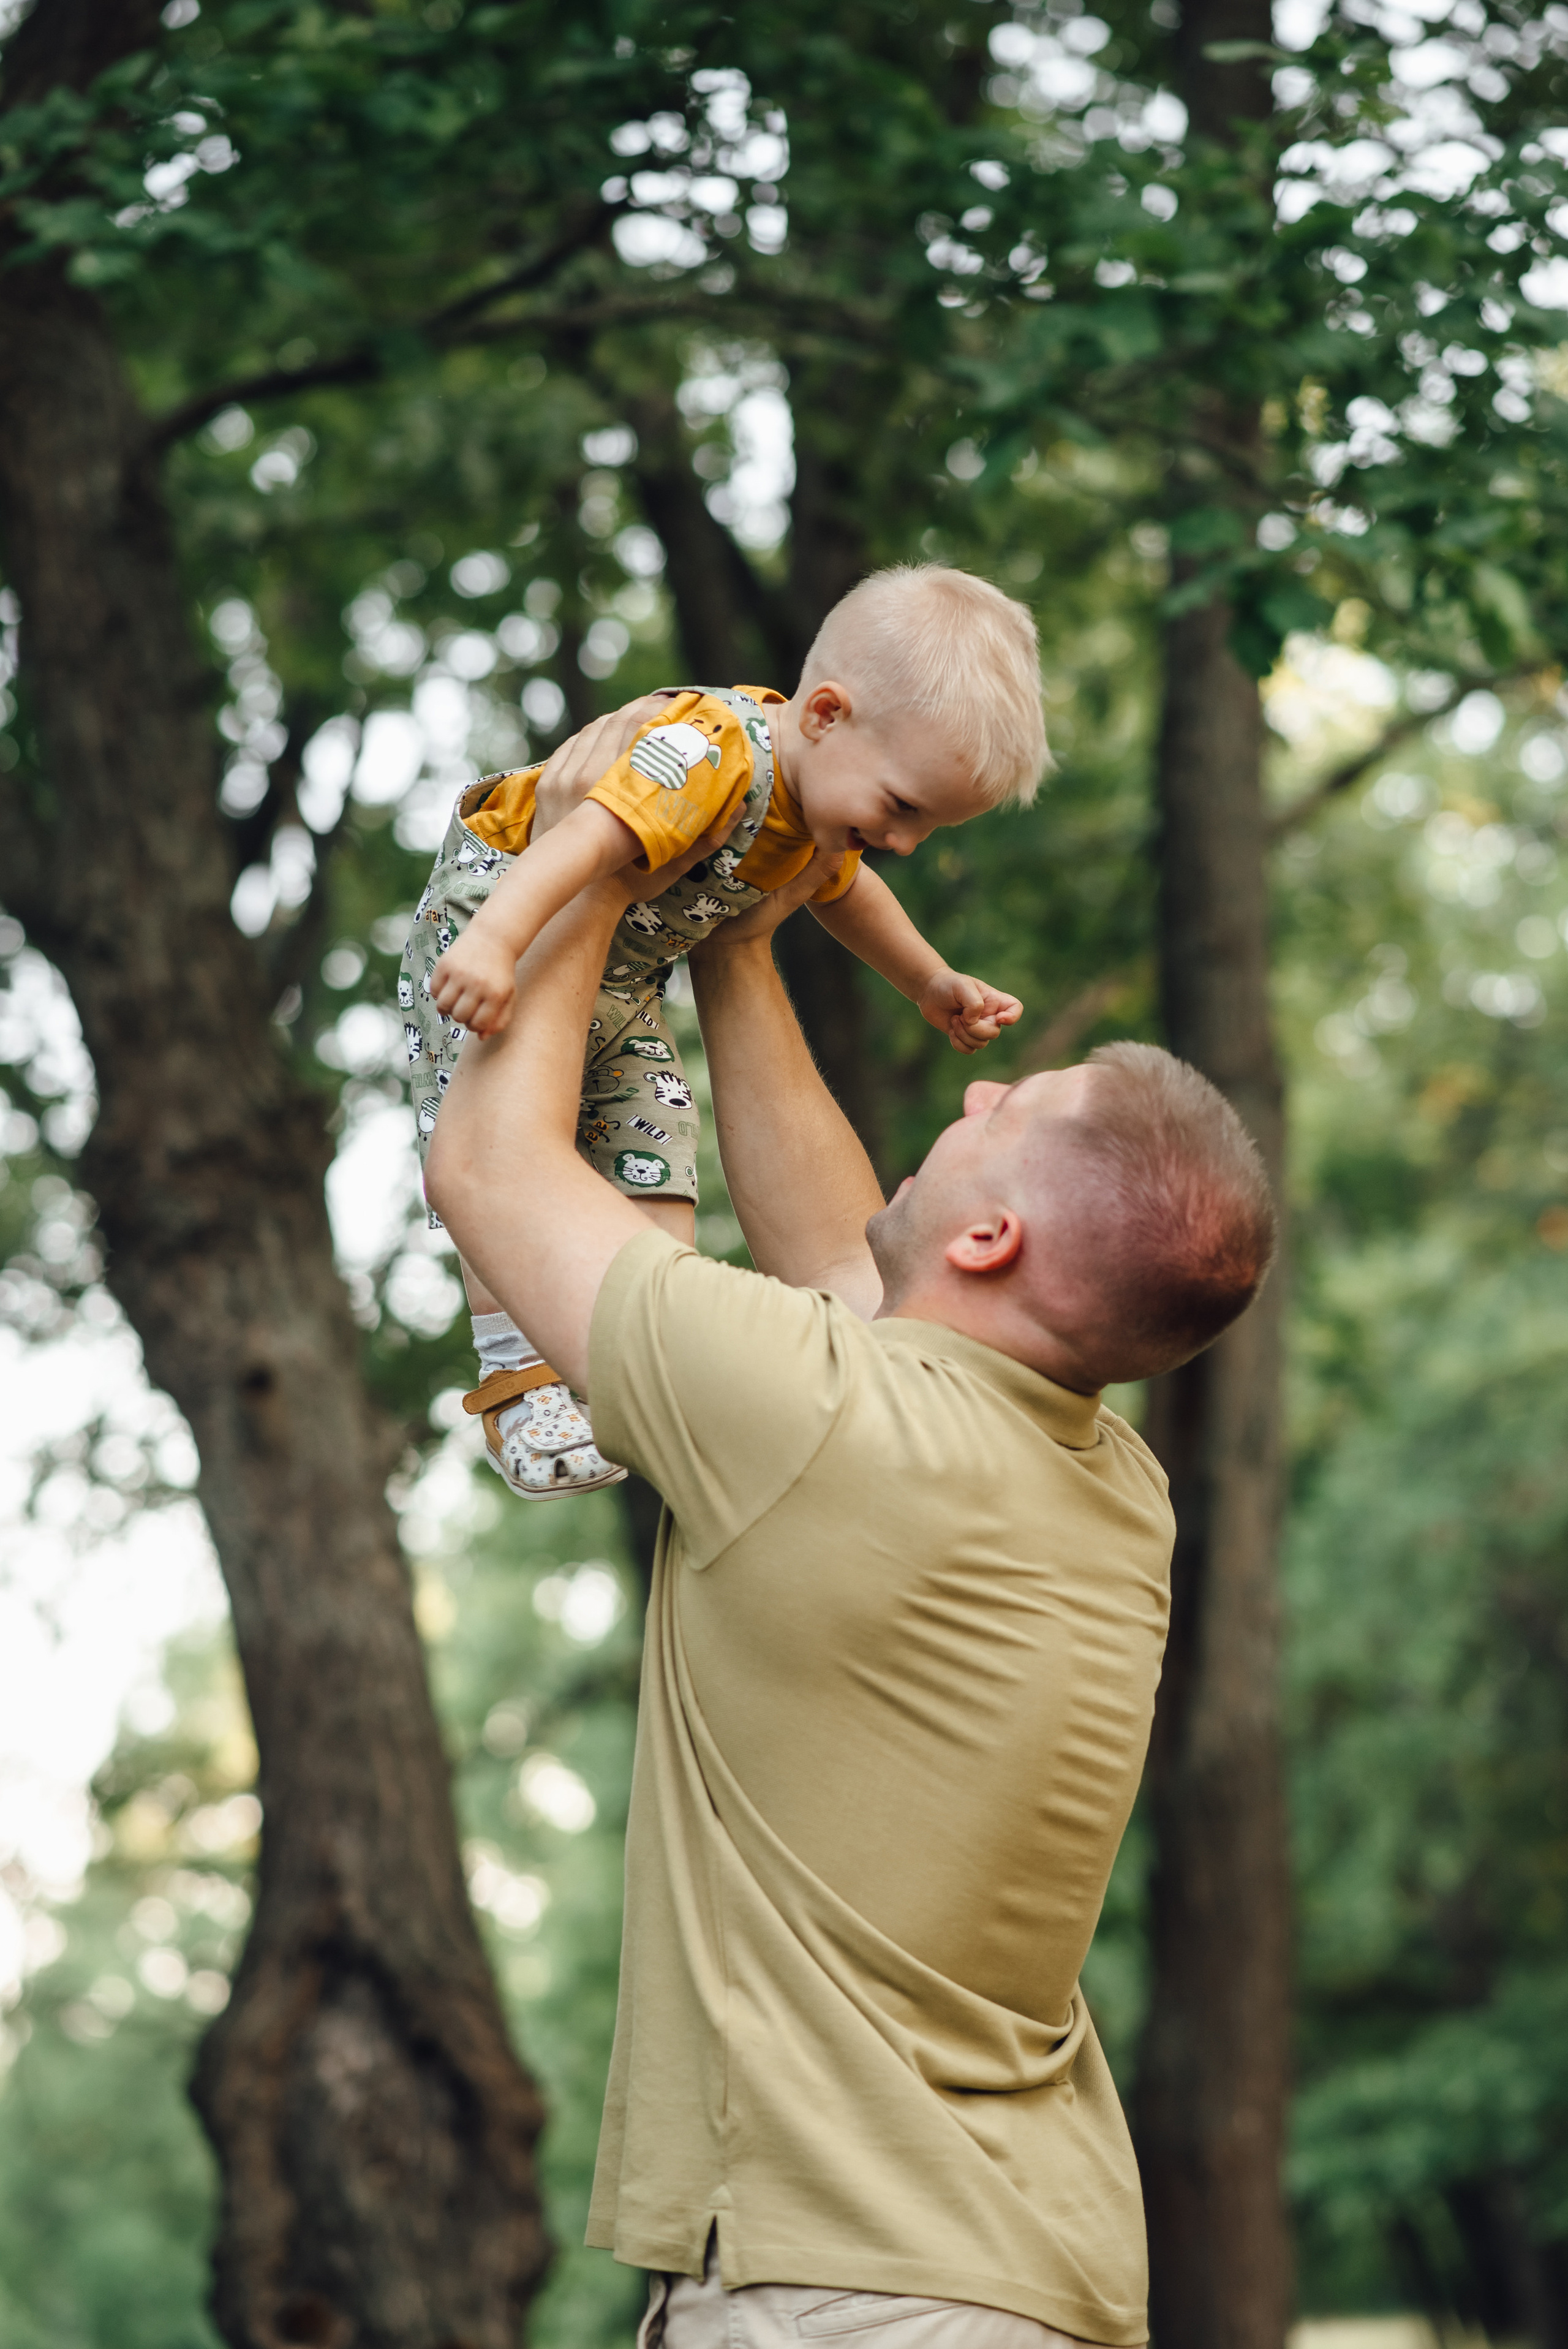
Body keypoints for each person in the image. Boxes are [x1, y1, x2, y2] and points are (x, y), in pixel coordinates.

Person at [423, 743, 1278, 2348]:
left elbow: (488, 1166)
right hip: (1028, 2271)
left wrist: (604, 851)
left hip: (843, 2295)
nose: (975, 1091)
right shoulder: (1106, 1488)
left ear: (992, 1234)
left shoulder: (824, 1420)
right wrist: (742, 928)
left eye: (1009, 1109)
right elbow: (842, 1261)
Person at [403, 564, 1043, 1502]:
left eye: (928, 827)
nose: (905, 842)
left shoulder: (820, 808)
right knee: (493, 1150)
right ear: (825, 714)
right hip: (505, 922)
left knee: (661, 1133)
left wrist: (929, 980)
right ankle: (518, 1382)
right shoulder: (713, 755)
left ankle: (636, 1350)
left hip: (621, 979)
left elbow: (848, 895)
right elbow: (580, 843)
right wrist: (497, 944)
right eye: (903, 808)